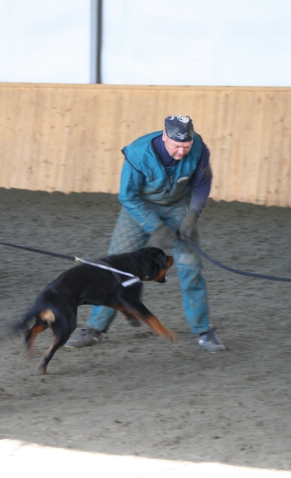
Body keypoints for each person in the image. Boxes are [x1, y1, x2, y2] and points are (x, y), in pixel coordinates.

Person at [66, 115, 226, 353]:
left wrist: (193, 214)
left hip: (178, 206)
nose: (182, 151)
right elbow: (127, 196)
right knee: (113, 267)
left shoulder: (198, 148)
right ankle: (94, 329)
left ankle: (204, 331)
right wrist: (156, 227)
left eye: (186, 146)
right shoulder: (139, 153)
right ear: (164, 137)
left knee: (191, 267)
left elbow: (203, 183)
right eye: (176, 146)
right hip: (139, 208)